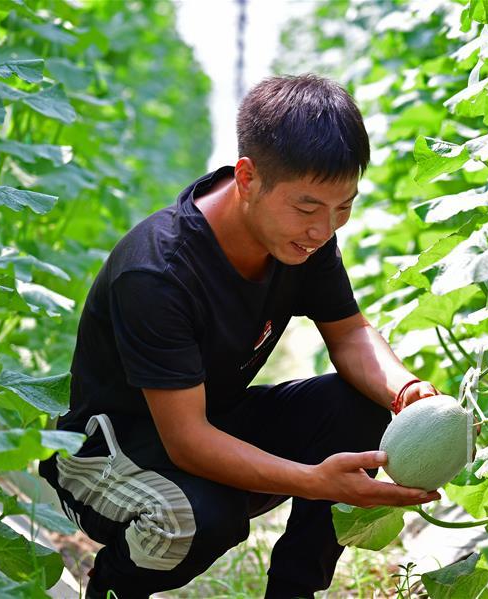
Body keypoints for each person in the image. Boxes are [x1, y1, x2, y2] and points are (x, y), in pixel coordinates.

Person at [38, 74, 442, 599]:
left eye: (343, 207)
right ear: (248, 178)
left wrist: (408, 392)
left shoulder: (304, 241)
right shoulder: (159, 272)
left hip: (206, 422)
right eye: (307, 208)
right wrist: (315, 479)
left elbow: (350, 335)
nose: (325, 229)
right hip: (103, 452)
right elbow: (188, 441)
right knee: (202, 517)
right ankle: (115, 587)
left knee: (359, 406)